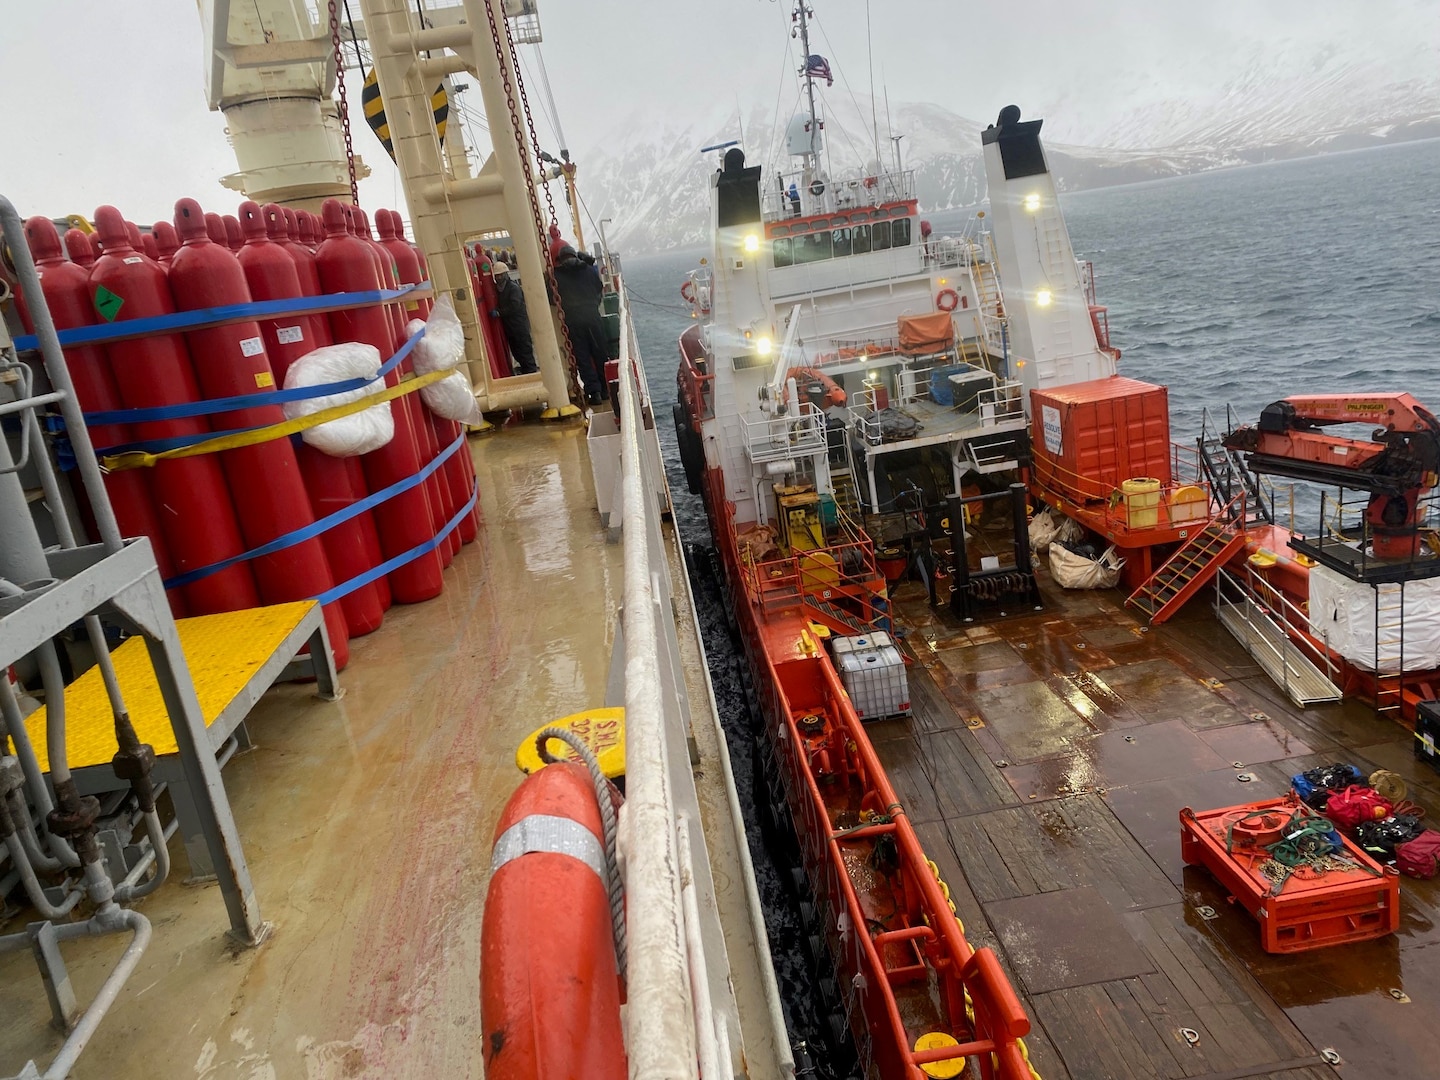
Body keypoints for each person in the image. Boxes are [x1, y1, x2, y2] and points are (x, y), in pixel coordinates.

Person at [552, 244, 607, 404]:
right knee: (600, 354)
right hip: (592, 317)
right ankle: (605, 389)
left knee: (582, 357)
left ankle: (594, 392)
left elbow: (551, 298)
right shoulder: (589, 270)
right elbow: (599, 288)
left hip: (573, 321)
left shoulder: (556, 276)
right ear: (575, 255)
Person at [490, 263, 537, 375]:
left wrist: (499, 312)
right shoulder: (500, 290)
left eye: (501, 275)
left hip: (519, 325)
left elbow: (515, 306)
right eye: (497, 276)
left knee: (524, 350)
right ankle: (526, 370)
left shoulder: (513, 288)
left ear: (506, 274)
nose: (499, 278)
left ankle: (531, 371)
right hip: (510, 327)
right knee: (516, 351)